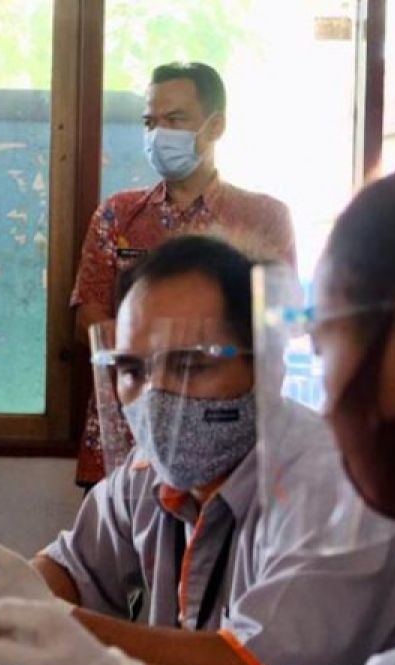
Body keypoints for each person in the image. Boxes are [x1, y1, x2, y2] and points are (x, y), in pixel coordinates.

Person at [0, 158, 395, 665]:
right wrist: (8, 613)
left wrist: (69, 642)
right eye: (132, 369)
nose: (154, 396)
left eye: (191, 364)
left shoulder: (337, 493)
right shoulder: (148, 476)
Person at [71, 62, 296, 487]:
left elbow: (276, 326)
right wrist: (153, 357)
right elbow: (90, 316)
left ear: (216, 126)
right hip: (123, 436)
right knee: (107, 549)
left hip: (227, 440)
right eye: (149, 122)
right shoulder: (118, 214)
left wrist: (199, 356)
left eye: (174, 120)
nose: (158, 134)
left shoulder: (262, 218)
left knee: (217, 549)